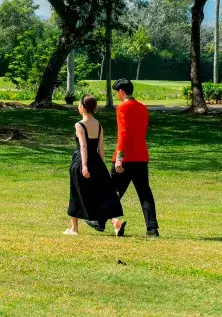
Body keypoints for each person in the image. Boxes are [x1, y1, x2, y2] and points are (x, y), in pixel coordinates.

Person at [65, 94, 125, 236]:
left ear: (83, 108)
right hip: (97, 161)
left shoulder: (79, 125)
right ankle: (115, 221)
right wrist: (101, 166)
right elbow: (101, 148)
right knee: (101, 193)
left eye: (79, 104)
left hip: (81, 161)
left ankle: (74, 229)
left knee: (76, 192)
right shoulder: (98, 124)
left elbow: (83, 146)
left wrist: (84, 166)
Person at [111, 78, 160, 237]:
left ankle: (98, 220)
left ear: (121, 91)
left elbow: (123, 134)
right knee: (144, 193)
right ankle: (152, 229)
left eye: (117, 93)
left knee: (113, 190)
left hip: (125, 157)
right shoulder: (143, 108)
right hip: (140, 156)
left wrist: (119, 157)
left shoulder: (122, 108)